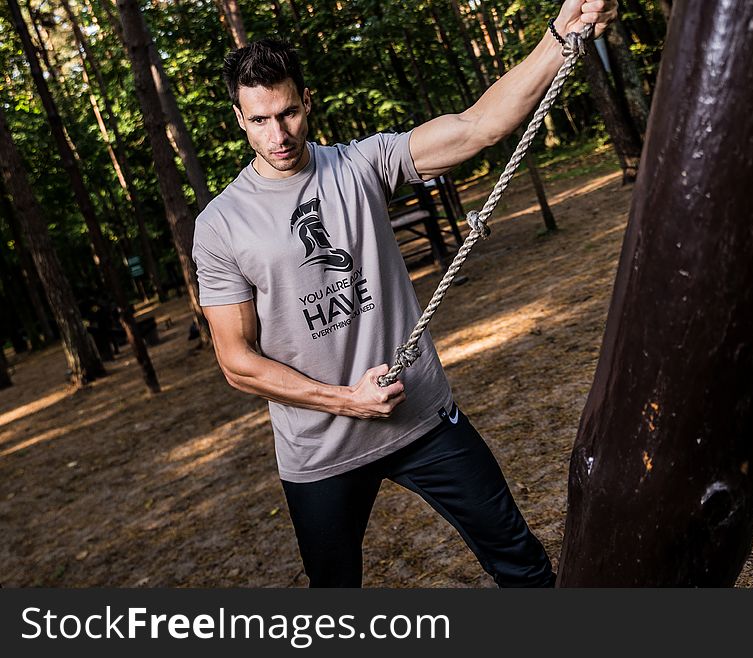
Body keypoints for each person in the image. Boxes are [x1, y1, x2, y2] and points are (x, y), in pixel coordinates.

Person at [192, 0, 618, 587]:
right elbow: (237, 363)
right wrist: (347, 401)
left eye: (288, 113)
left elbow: (478, 126)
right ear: (239, 119)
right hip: (320, 450)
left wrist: (558, 36)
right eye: (260, 120)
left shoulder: (359, 166)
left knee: (522, 564)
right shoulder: (221, 224)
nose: (279, 133)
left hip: (421, 418)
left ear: (306, 102)